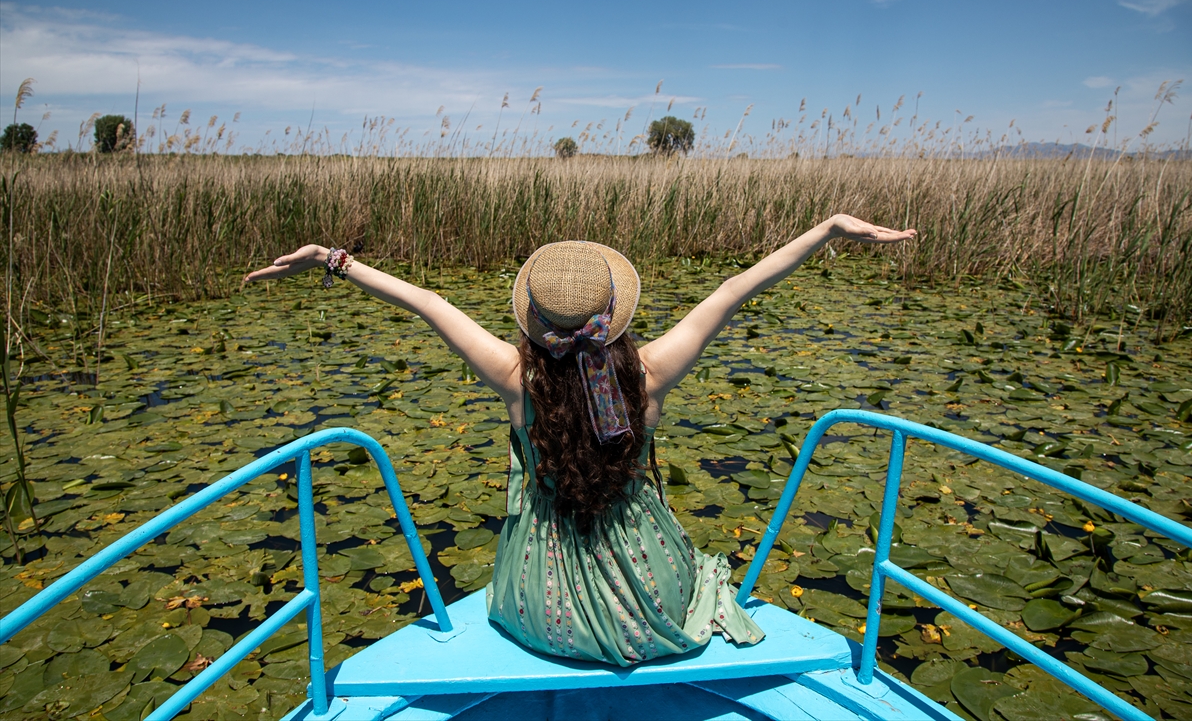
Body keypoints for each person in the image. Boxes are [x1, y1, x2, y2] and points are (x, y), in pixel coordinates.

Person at [245, 214, 915, 666]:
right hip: (650, 595)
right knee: (697, 570)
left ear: (533, 319)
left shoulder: (515, 380)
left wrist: (332, 261)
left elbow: (427, 302)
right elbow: (736, 289)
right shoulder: (649, 375)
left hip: (544, 606)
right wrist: (829, 229)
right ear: (611, 314)